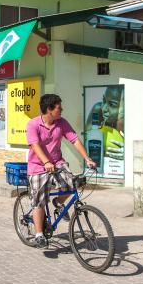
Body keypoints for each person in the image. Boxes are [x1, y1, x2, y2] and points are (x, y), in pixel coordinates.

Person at [26, 93, 96, 249]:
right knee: (39, 200)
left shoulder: (61, 122)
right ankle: (39, 234)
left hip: (57, 163)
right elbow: (35, 145)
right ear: (49, 109)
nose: (61, 110)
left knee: (73, 183)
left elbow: (74, 140)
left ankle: (58, 202)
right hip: (38, 166)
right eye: (59, 107)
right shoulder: (33, 124)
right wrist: (46, 162)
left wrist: (87, 158)